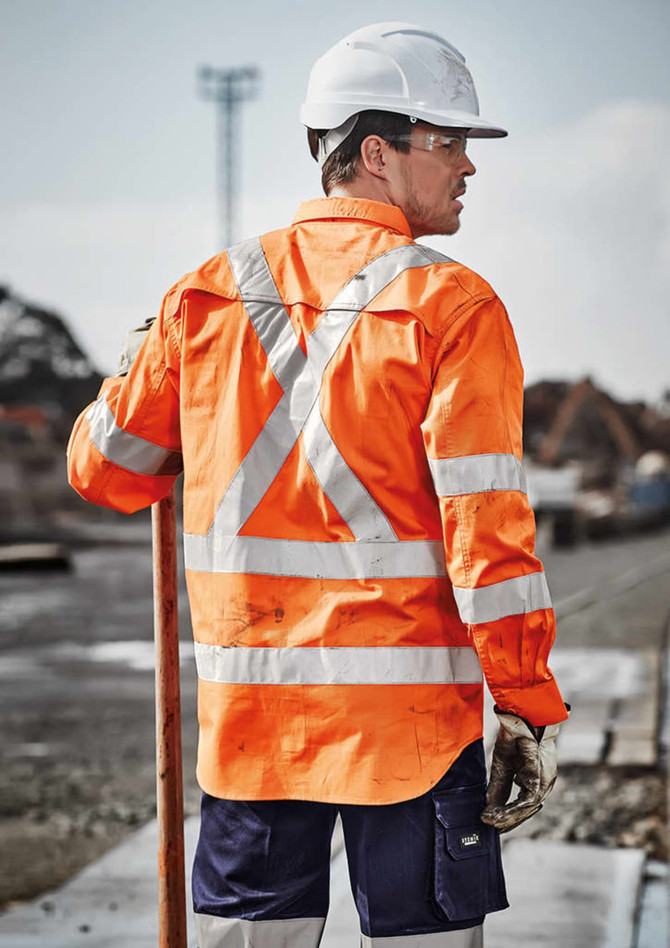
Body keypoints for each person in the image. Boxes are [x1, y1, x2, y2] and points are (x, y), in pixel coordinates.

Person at [68, 22, 568, 948]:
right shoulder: (452, 306)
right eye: (449, 141)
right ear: (377, 153)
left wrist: (139, 363)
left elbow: (107, 473)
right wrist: (526, 702)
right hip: (412, 741)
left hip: (254, 731)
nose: (468, 167)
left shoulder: (205, 296)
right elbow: (488, 535)